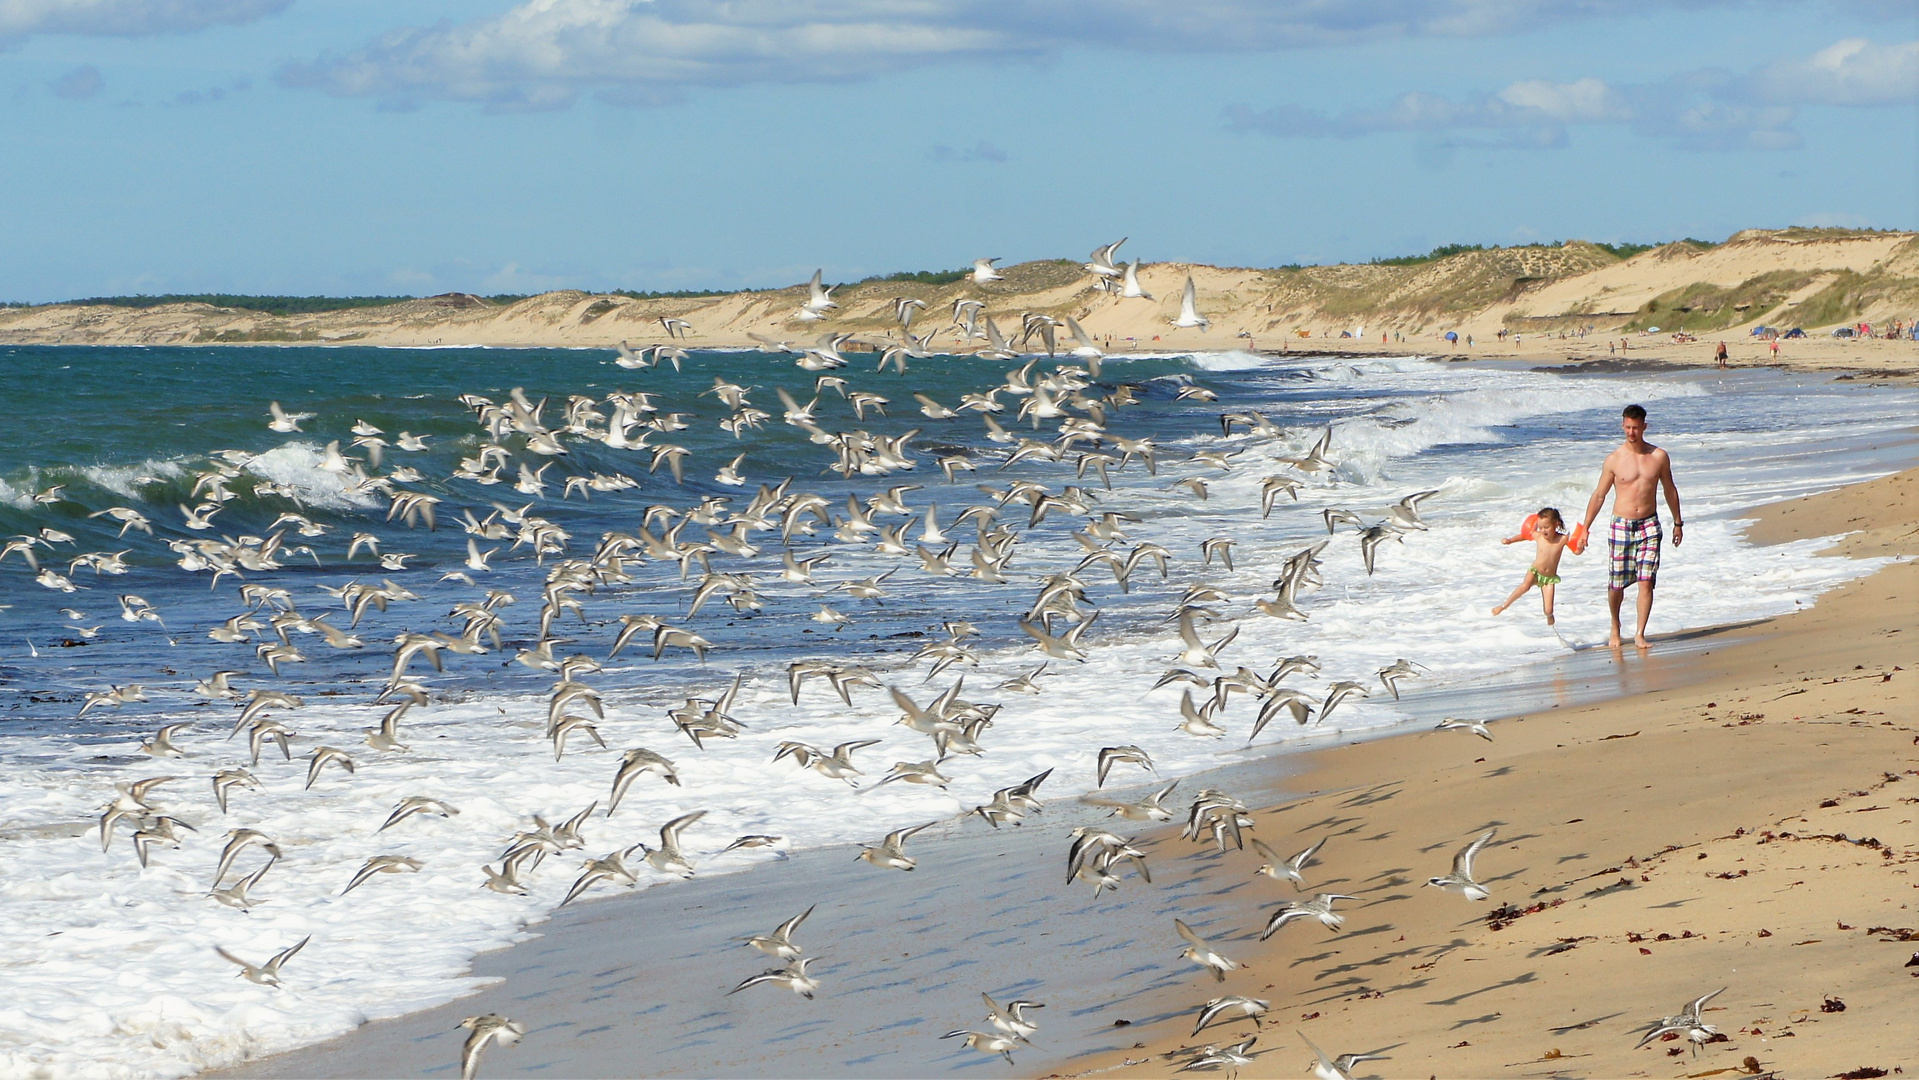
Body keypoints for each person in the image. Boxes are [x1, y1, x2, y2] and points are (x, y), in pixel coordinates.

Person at [1581, 404, 1683, 649]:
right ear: (1622, 425)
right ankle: (1615, 626)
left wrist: (1678, 522)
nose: (1631, 432)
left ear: (1644, 427)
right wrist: (1585, 527)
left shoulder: (1658, 456)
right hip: (1621, 525)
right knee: (1616, 584)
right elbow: (1599, 495)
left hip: (1649, 523)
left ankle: (1639, 633)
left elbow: (1670, 489)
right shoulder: (1614, 460)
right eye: (1627, 427)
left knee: (1646, 580)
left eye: (1636, 428)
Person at [1491, 508, 1579, 625]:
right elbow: (1525, 536)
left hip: (1549, 578)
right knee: (1524, 586)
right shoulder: (1538, 536)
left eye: (1546, 527)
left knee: (1548, 610)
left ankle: (1549, 616)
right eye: (1541, 527)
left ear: (1556, 524)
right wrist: (1510, 540)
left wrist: (1581, 547)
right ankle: (1503, 606)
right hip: (1535, 571)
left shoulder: (1562, 539)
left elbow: (1577, 551)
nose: (1543, 530)